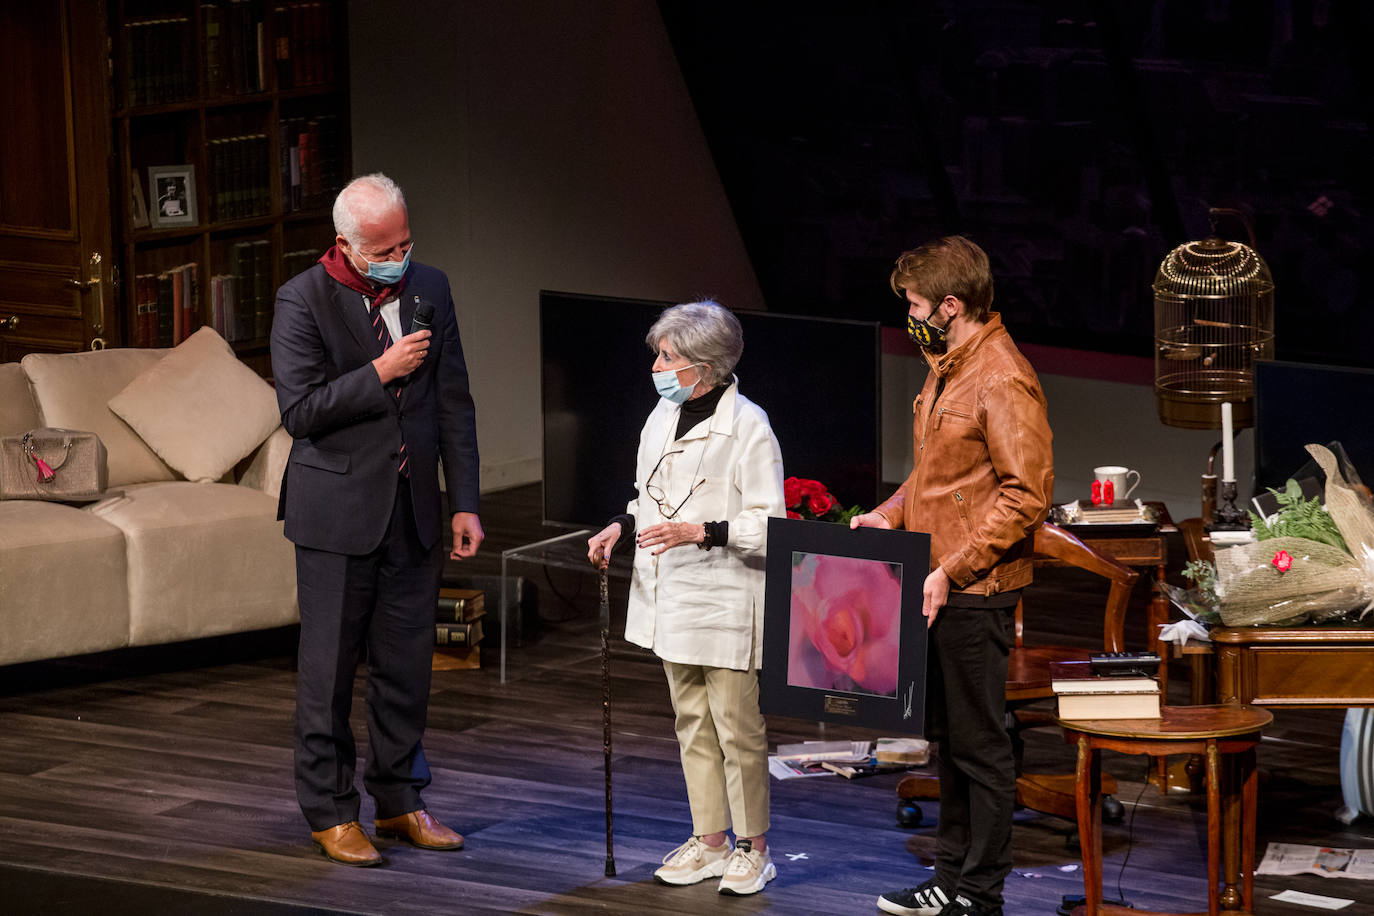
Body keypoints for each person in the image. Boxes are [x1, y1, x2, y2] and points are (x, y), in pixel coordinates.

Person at [270, 172, 483, 867]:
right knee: (329, 671)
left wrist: (466, 501)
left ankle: (397, 801)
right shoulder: (301, 301)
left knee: (405, 668)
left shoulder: (431, 288)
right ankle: (331, 813)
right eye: (386, 248)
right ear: (349, 246)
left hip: (414, 509)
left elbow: (454, 401)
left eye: (407, 241)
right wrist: (381, 371)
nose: (401, 255)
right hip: (337, 515)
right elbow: (299, 412)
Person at [852, 237, 1053, 916]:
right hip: (935, 584)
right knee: (949, 741)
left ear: (950, 304)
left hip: (974, 590)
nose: (907, 315)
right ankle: (949, 878)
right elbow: (937, 474)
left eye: (912, 304)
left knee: (981, 747)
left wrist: (952, 567)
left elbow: (1026, 494)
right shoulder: (946, 366)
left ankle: (980, 893)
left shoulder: (1002, 376)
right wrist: (887, 514)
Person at [586, 300, 785, 897]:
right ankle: (711, 840)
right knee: (691, 721)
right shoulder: (659, 416)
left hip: (725, 596)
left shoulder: (749, 425)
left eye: (668, 357)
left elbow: (771, 522)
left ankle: (755, 847)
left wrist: (702, 531)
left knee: (736, 726)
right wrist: (621, 525)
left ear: (704, 365)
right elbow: (649, 494)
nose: (657, 366)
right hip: (671, 591)